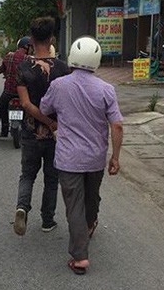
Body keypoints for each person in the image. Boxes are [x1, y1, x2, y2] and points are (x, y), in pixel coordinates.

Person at [40, 36, 123, 275]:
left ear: (72, 58)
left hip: (68, 159)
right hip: (96, 158)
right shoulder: (107, 89)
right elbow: (116, 126)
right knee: (91, 196)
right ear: (97, 60)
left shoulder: (59, 85)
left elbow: (45, 109)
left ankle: (80, 258)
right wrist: (115, 157)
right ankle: (90, 223)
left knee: (74, 206)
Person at [13, 17, 70, 236]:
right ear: (52, 38)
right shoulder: (63, 69)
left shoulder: (23, 67)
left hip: (30, 133)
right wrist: (52, 123)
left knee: (27, 174)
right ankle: (47, 220)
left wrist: (42, 121)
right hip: (56, 135)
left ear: (32, 40)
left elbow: (26, 104)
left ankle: (22, 207)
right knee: (52, 178)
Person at [0, 37, 31, 137]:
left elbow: (0, 69)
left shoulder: (9, 56)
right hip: (24, 92)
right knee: (31, 108)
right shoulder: (29, 59)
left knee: (0, 108)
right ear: (27, 47)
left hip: (9, 91)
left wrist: (4, 71)